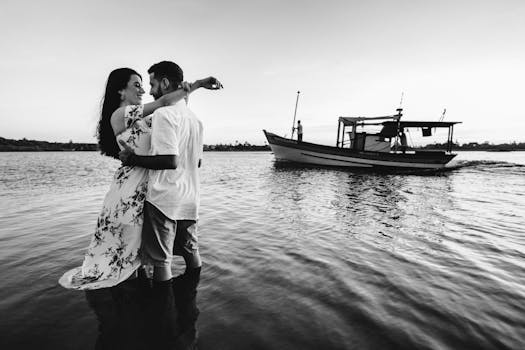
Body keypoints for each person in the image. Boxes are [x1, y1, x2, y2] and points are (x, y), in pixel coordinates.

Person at [59, 68, 220, 291]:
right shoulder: (120, 114)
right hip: (130, 188)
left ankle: (144, 305)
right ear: (120, 90)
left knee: (141, 249)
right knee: (128, 248)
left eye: (144, 84)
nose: (143, 90)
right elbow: (165, 101)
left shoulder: (146, 115)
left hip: (150, 186)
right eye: (136, 85)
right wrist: (198, 84)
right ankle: (141, 303)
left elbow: (175, 114)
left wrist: (187, 92)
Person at [119, 61, 217, 347]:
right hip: (190, 198)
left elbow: (169, 160)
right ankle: (189, 309)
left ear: (164, 83)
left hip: (164, 199)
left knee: (161, 263)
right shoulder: (197, 120)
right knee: (191, 254)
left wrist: (132, 159)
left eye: (151, 84)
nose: (149, 90)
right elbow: (195, 161)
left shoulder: (163, 114)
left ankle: (164, 324)